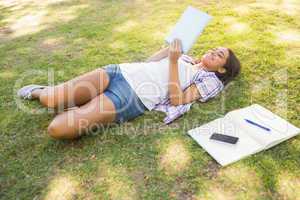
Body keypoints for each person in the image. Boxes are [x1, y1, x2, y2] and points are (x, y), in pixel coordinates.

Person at [18, 39, 241, 140]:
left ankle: (81, 104)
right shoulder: (186, 58)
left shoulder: (211, 81)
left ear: (222, 69)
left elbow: (177, 100)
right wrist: (168, 51)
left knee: (58, 128)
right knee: (48, 99)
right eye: (214, 49)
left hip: (132, 97)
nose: (212, 52)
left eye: (219, 55)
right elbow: (148, 63)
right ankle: (41, 91)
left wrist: (173, 62)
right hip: (119, 72)